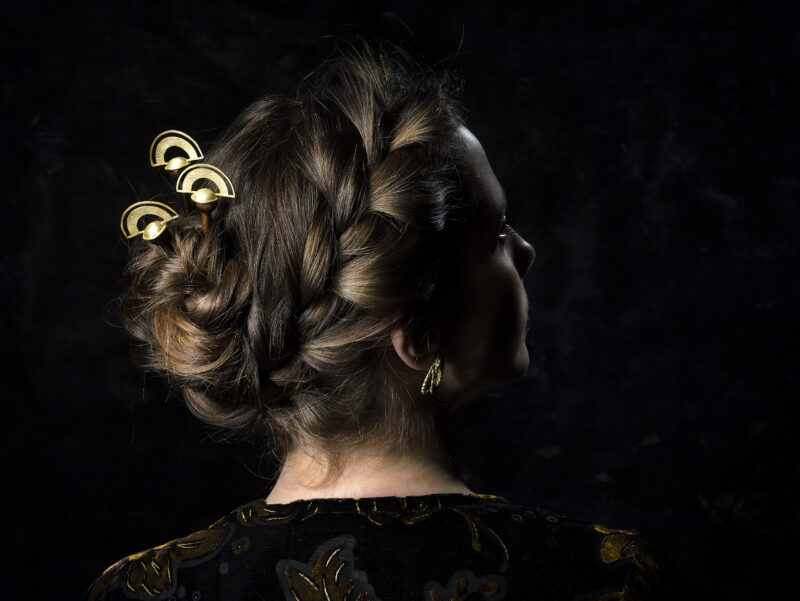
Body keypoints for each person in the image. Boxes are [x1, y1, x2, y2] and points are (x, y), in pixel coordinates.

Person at [88, 40, 680, 601]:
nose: (525, 250)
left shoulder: (145, 590)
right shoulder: (600, 579)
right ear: (419, 335)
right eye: (497, 232)